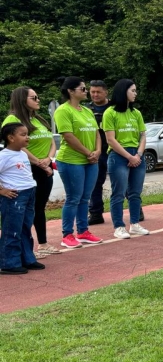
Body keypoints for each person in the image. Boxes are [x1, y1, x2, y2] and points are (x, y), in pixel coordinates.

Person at [3, 86, 60, 257]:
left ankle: (42, 244)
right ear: (22, 100)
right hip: (27, 169)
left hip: (45, 167)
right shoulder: (12, 119)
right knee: (25, 210)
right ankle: (23, 249)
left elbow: (51, 141)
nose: (38, 100)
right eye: (33, 98)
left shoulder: (38, 119)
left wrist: (49, 160)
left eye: (37, 97)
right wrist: (38, 163)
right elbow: (17, 146)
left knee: (39, 207)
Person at [53, 77, 103, 248]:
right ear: (70, 91)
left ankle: (83, 231)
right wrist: (88, 152)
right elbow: (68, 135)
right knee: (73, 198)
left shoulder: (87, 111)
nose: (86, 91)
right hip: (71, 160)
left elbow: (97, 133)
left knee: (85, 197)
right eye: (82, 88)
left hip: (91, 160)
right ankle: (67, 234)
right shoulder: (63, 111)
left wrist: (97, 151)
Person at [102, 79, 149, 240]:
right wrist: (129, 157)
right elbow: (110, 140)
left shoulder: (136, 113)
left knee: (135, 193)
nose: (136, 94)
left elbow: (143, 136)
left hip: (137, 155)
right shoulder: (110, 113)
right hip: (118, 156)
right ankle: (119, 227)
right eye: (133, 90)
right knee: (119, 193)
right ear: (123, 91)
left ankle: (135, 224)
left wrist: (139, 155)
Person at [0, 123, 46, 274]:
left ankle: (27, 258)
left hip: (29, 192)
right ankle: (9, 263)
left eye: (27, 134)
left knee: (25, 227)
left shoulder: (22, 153)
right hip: (15, 196)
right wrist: (2, 190)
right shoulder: (3, 156)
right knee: (12, 229)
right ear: (11, 138)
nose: (28, 137)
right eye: (23, 134)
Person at [87, 80, 112, 225]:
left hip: (115, 149)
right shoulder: (86, 109)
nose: (95, 95)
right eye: (92, 92)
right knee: (95, 183)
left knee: (122, 181)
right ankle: (96, 214)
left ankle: (136, 208)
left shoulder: (115, 107)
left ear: (106, 92)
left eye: (98, 92)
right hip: (96, 151)